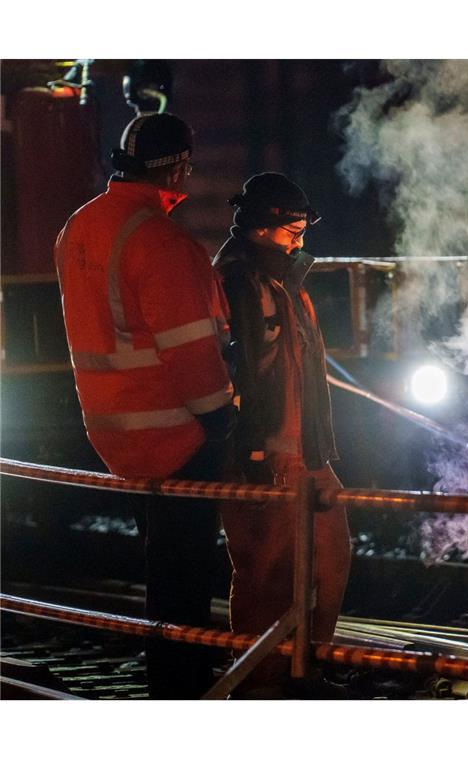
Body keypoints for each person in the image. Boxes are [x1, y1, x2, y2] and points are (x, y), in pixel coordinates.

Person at [54, 113, 235, 698]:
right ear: (178, 167)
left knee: (162, 570)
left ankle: (170, 685)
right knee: (185, 580)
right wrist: (225, 424)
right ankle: (182, 692)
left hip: (114, 434)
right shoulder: (162, 242)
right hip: (175, 435)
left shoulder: (78, 228)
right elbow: (193, 361)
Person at [213, 173, 350, 696]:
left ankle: (304, 673)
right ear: (261, 228)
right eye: (293, 228)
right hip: (264, 455)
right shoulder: (237, 282)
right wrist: (252, 452)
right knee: (265, 575)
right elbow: (235, 374)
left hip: (305, 453)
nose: (300, 237)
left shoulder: (283, 284)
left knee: (330, 559)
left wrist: (312, 449)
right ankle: (260, 688)